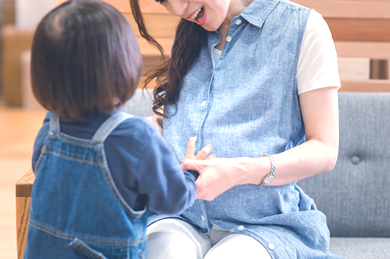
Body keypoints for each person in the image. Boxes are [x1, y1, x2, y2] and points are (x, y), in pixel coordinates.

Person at [129, 0, 344, 258]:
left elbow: (325, 150)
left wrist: (239, 171)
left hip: (265, 225)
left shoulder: (304, 28)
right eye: (164, 1)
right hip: (182, 215)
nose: (177, 9)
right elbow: (178, 126)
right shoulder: (188, 34)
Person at [24, 0, 209, 258]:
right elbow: (172, 200)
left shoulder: (50, 125)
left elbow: (42, 171)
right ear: (123, 64)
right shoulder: (136, 137)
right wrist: (189, 174)